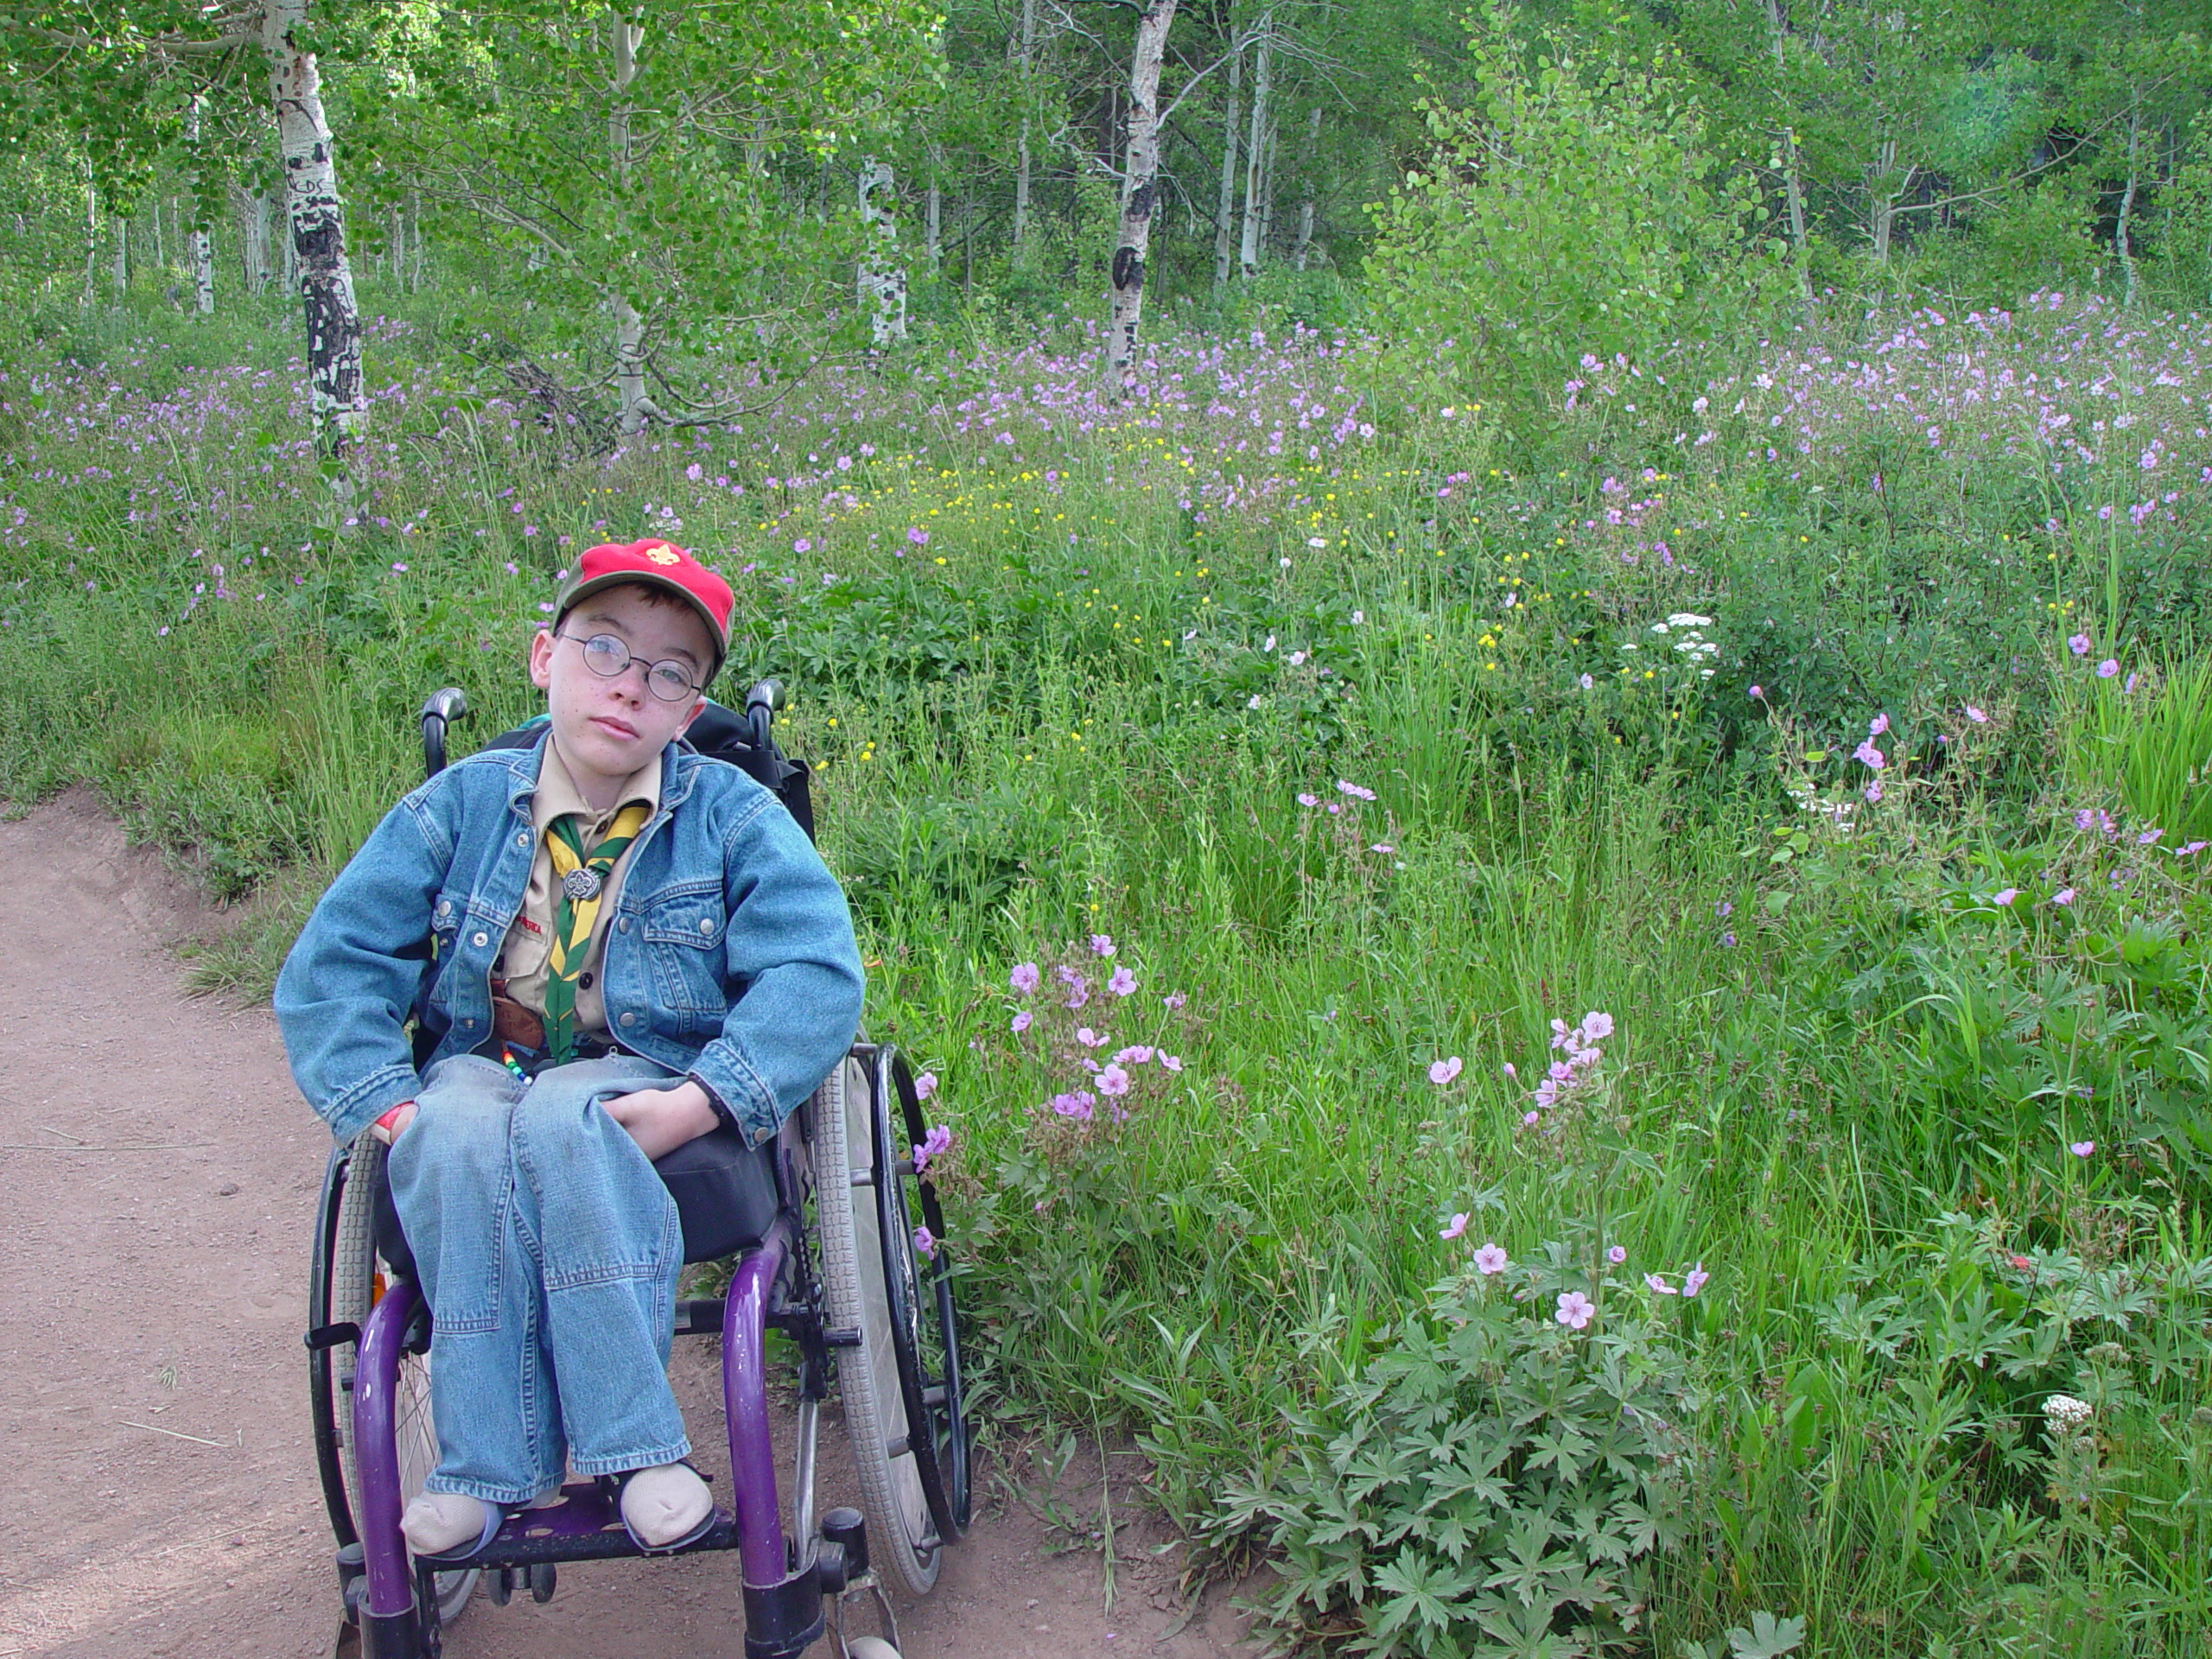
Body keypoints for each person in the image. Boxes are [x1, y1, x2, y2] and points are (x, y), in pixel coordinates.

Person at [276, 538, 864, 1560]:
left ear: (690, 710)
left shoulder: (732, 816)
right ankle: (482, 1467)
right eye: (604, 649)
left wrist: (708, 1099)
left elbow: (815, 976)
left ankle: (636, 1451)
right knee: (452, 1125)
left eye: (669, 671)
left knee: (565, 1115)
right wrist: (384, 1101)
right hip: (481, 1062)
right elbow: (332, 967)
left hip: (645, 1070)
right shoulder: (458, 804)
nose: (630, 687)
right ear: (545, 658)